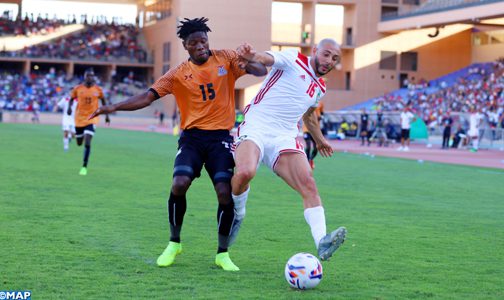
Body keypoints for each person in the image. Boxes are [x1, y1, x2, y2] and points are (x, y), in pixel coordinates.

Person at [89, 17, 267, 271]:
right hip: (192, 138)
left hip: (220, 139)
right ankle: (174, 242)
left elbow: (260, 72)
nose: (201, 46)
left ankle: (222, 253)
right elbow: (147, 97)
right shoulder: (177, 75)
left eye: (203, 41)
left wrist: (249, 59)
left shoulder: (226, 58)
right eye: (194, 43)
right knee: (179, 183)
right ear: (185, 46)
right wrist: (114, 106)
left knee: (224, 192)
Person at [230, 39, 347, 262]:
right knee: (245, 172)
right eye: (326, 55)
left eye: (335, 59)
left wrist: (320, 140)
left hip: (284, 137)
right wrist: (252, 54)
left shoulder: (320, 88)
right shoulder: (293, 59)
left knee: (309, 184)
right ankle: (238, 213)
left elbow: (309, 116)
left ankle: (322, 241)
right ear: (315, 51)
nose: (329, 61)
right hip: (256, 125)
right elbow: (266, 58)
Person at [67, 69, 110, 175]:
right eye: (88, 75)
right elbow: (72, 98)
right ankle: (72, 135)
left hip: (92, 118)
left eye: (92, 76)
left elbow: (104, 101)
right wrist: (69, 107)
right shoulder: (78, 88)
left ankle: (84, 166)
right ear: (84, 77)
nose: (90, 77)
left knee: (87, 141)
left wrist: (107, 115)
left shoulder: (98, 89)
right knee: (79, 143)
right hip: (79, 119)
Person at [303, 103, 323, 169]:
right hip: (306, 129)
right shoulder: (308, 101)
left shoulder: (320, 103)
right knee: (308, 147)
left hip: (315, 130)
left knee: (316, 148)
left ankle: (311, 159)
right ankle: (307, 161)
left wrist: (320, 117)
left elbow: (322, 113)